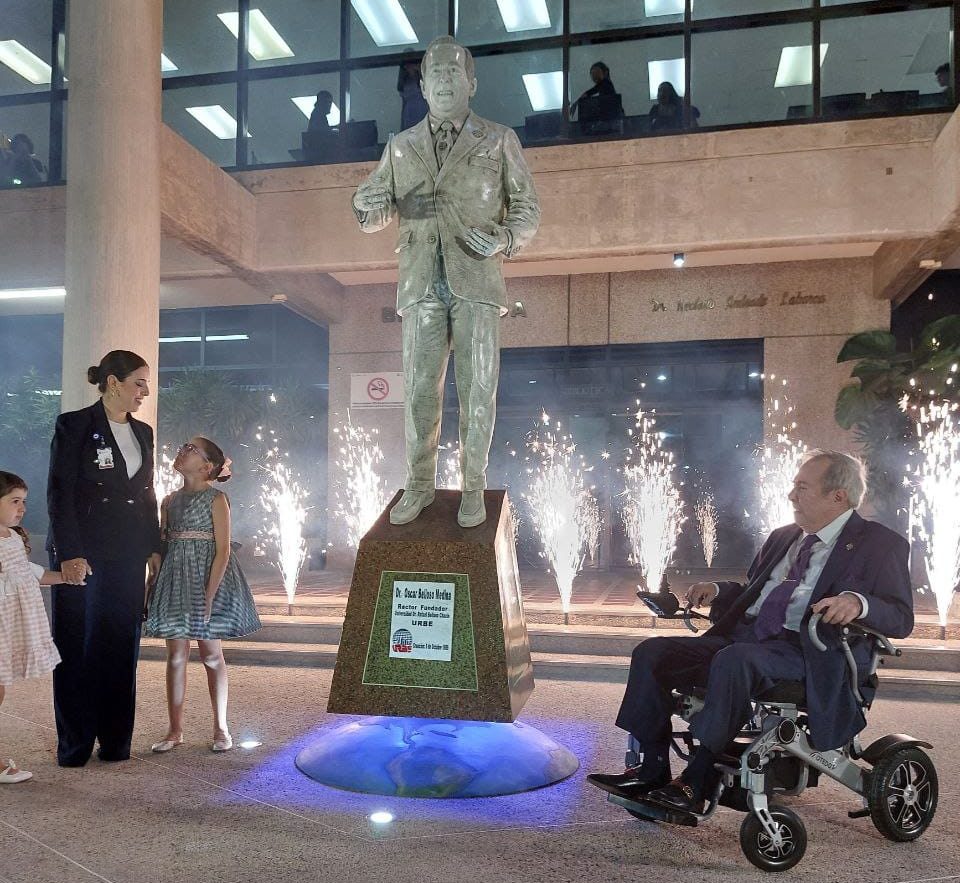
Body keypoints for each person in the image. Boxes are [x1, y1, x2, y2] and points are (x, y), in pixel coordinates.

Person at [589, 450, 913, 814]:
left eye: (802, 488)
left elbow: (900, 617)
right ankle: (652, 769)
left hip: (809, 653)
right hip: (747, 639)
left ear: (838, 496)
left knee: (734, 661)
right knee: (651, 653)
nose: (792, 495)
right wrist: (719, 590)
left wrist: (857, 602)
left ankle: (697, 781)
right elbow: (756, 590)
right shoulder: (784, 537)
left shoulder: (879, 544)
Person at [353, 36, 540, 528]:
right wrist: (371, 206)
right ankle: (418, 486)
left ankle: (473, 487)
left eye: (452, 72)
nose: (442, 79)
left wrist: (503, 237)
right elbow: (371, 210)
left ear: (471, 82)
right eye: (434, 72)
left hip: (475, 280)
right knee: (419, 391)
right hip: (420, 284)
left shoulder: (498, 140)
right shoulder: (400, 146)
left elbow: (527, 209)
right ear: (422, 82)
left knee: (478, 389)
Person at [46, 350, 163, 767]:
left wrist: (154, 547)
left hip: (128, 552)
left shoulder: (144, 432)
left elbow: (147, 492)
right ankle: (75, 744)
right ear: (113, 383)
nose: (145, 391)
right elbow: (60, 493)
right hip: (85, 552)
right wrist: (69, 554)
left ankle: (115, 742)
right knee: (77, 644)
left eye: (147, 383)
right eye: (139, 382)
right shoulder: (75, 425)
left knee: (121, 644)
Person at [144, 437, 261, 753]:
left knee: (211, 654)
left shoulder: (216, 499)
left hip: (208, 578)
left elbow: (223, 550)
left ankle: (221, 727)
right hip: (176, 579)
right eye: (182, 445)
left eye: (190, 449)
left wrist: (210, 595)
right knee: (176, 655)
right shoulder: (169, 500)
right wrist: (152, 583)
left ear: (207, 467)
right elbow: (163, 544)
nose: (182, 450)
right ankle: (174, 730)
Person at [0, 472, 74, 783]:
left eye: (24, 502)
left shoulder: (14, 537)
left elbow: (31, 573)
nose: (22, 508)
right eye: (14, 501)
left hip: (9, 626)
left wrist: (65, 577)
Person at [397, 59, 429, 130]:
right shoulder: (404, 80)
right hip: (410, 111)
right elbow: (404, 102)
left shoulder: (422, 77)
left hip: (422, 107)